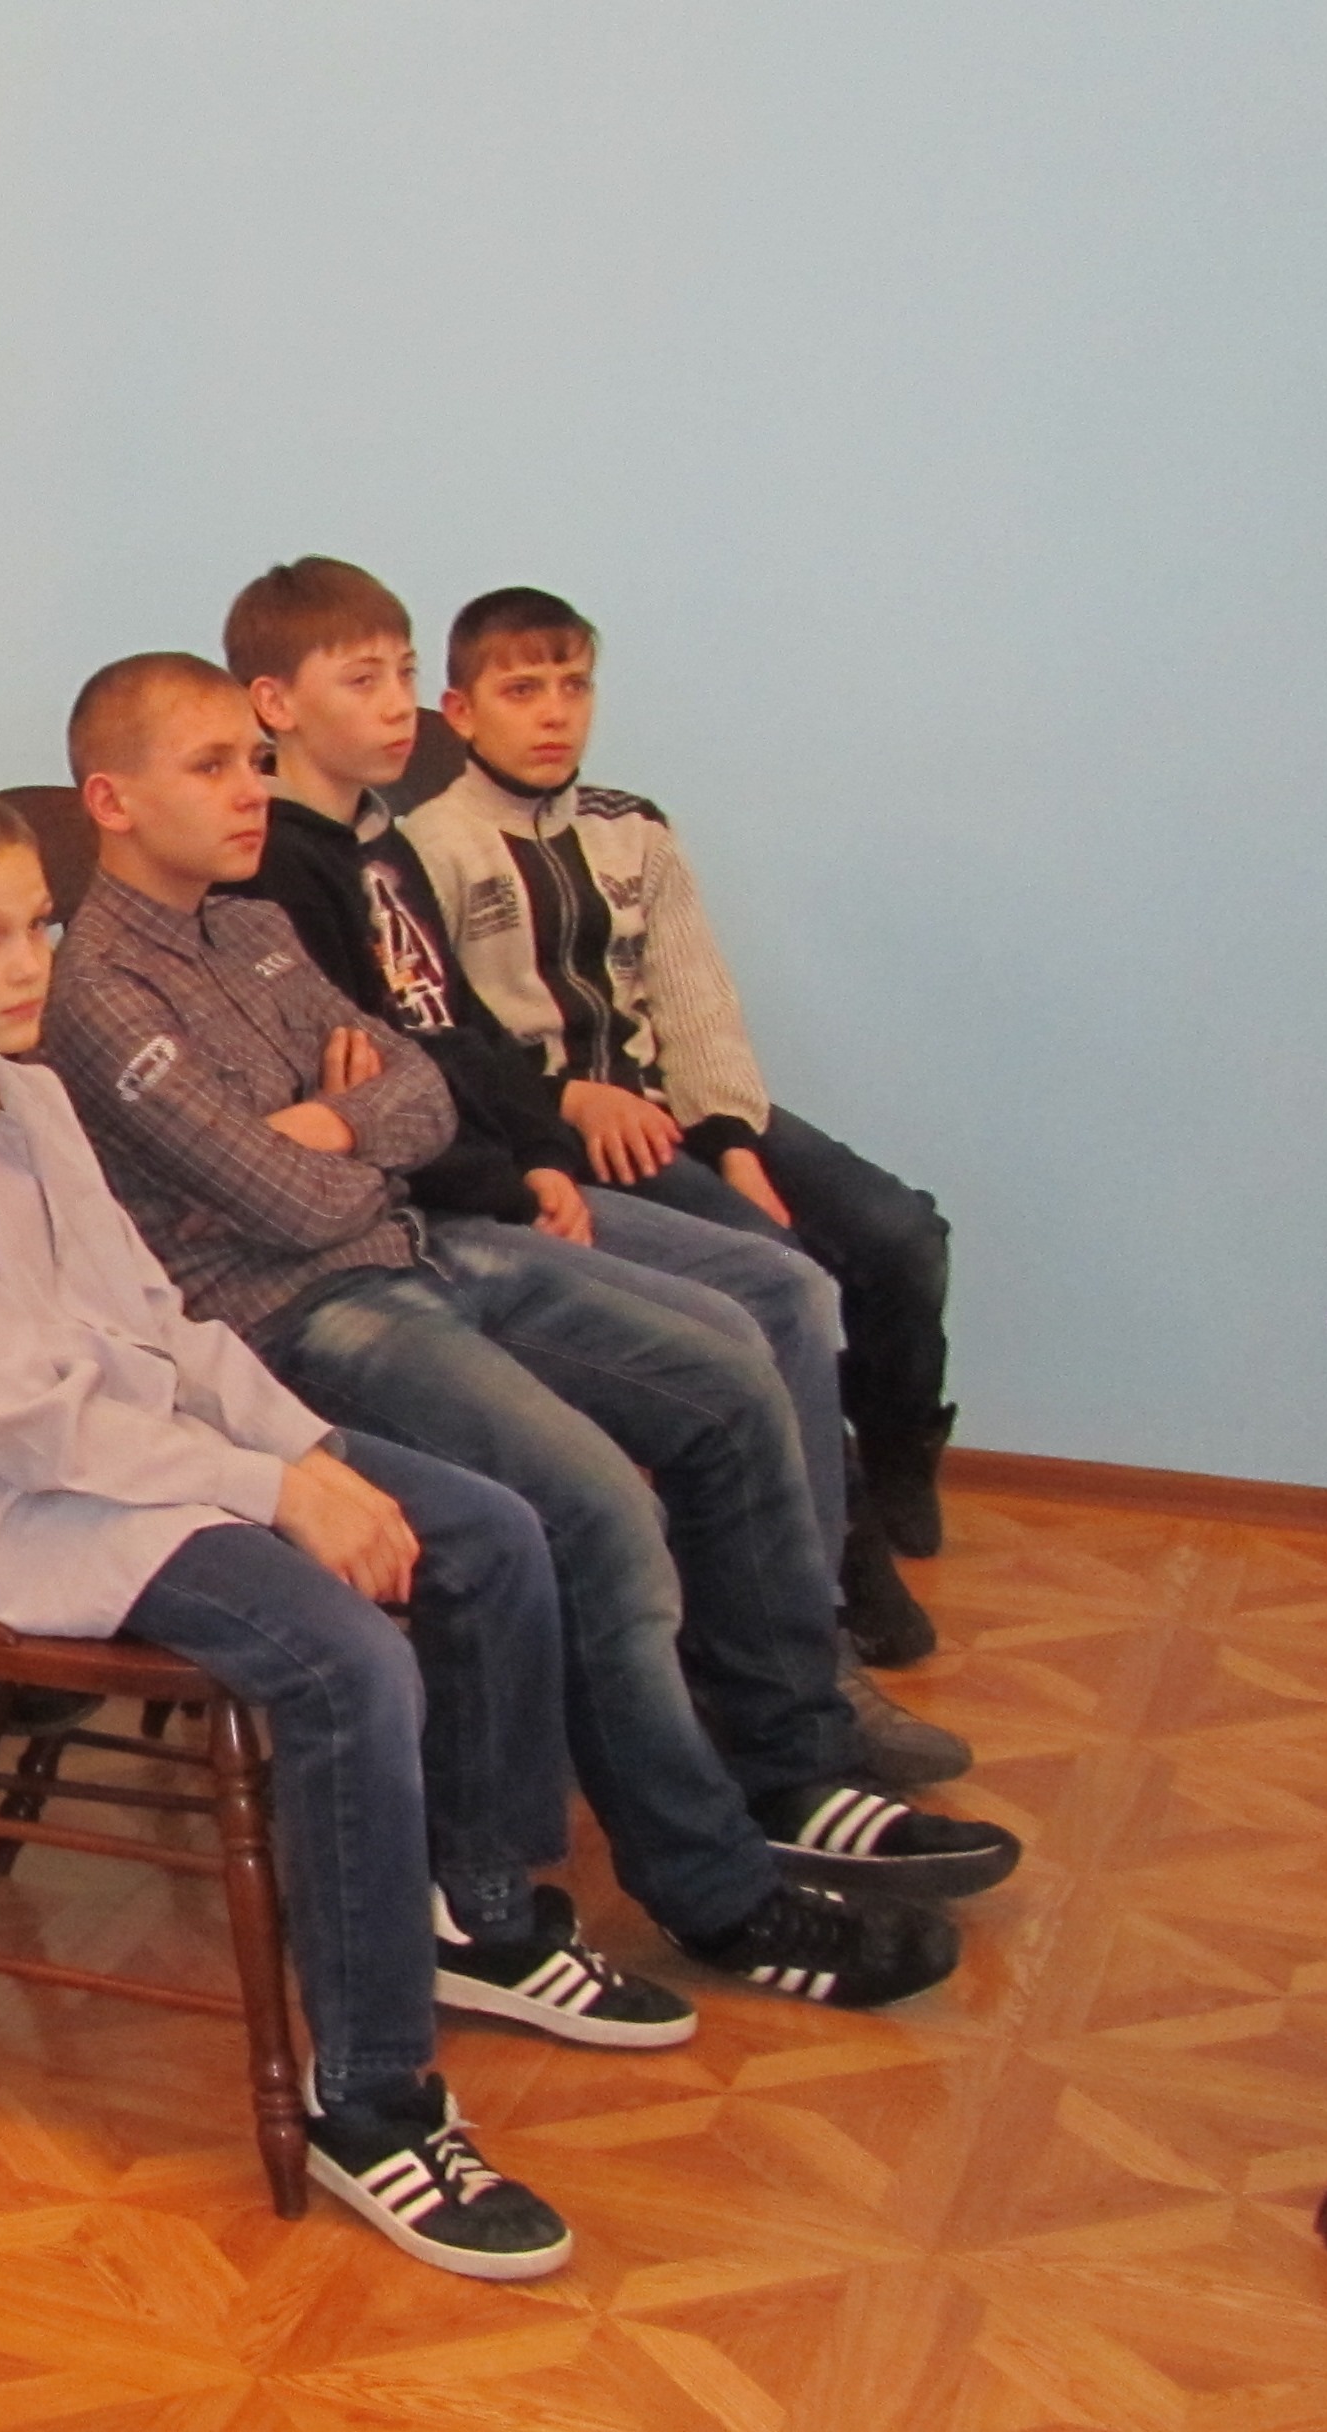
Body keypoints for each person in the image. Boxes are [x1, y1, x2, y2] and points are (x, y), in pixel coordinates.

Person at [0, 782, 697, 2278]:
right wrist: (275, 1490)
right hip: (20, 1514)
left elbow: (161, 1320)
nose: (28, 965)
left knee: (488, 1531)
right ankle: (371, 2099)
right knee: (346, 1664)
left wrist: (300, 1444)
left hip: (138, 1454)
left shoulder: (29, 1095)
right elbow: (19, 1427)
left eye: (39, 928)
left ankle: (478, 1914)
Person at [42, 654, 1018, 2010]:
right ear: (111, 800)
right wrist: (349, 1134)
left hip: (413, 1248)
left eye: (252, 762)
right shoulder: (98, 992)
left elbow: (422, 1091)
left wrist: (331, 1124)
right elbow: (277, 1200)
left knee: (731, 1372)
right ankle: (714, 1889)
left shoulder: (253, 925)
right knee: (596, 1501)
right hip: (291, 1317)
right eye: (210, 767)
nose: (249, 789)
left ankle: (789, 1766)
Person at [218, 557, 960, 1754]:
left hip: (514, 1166)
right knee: (762, 1302)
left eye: (402, 672)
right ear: (276, 703)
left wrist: (543, 1149)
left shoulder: (379, 841)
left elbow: (456, 1034)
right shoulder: (285, 866)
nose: (396, 704)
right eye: (365, 680)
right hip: (427, 1218)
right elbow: (376, 1093)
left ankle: (797, 1649)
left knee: (795, 1277)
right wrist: (516, 1173)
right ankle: (785, 1674)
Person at [399, 587, 959, 1561]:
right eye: (522, 690)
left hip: (678, 1104)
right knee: (770, 1272)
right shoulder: (423, 848)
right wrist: (566, 1100)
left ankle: (898, 1447)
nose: (553, 712)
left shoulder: (634, 828)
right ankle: (834, 1535)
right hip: (562, 1125)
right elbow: (449, 1039)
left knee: (901, 1234)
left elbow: (695, 1000)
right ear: (462, 712)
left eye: (573, 686)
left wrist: (731, 1139)